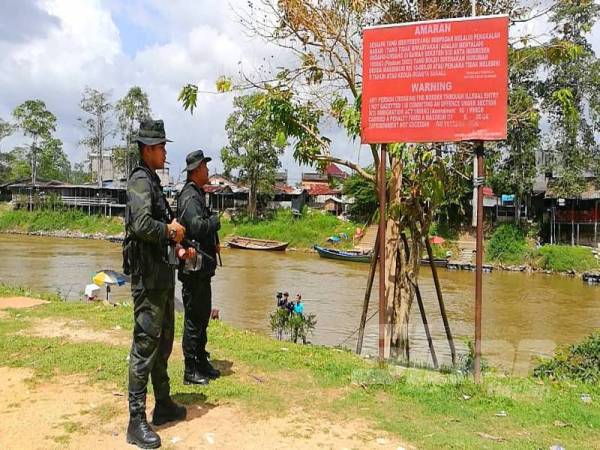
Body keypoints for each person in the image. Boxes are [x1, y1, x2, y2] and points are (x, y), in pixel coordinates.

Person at [123, 119, 193, 449]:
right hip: (148, 280)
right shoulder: (139, 179)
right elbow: (139, 224)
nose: (166, 152)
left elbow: (160, 223)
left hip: (162, 277)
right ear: (148, 149)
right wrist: (170, 232)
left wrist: (176, 242)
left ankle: (163, 404)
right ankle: (136, 422)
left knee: (164, 343)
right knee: (145, 347)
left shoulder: (152, 180)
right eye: (162, 147)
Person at [177, 149, 221, 386]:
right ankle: (190, 368)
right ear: (196, 171)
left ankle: (201, 361)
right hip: (193, 270)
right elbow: (194, 227)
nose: (207, 171)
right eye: (204, 167)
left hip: (201, 269)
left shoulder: (196, 194)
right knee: (194, 318)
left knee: (202, 316)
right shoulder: (190, 197)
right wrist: (214, 222)